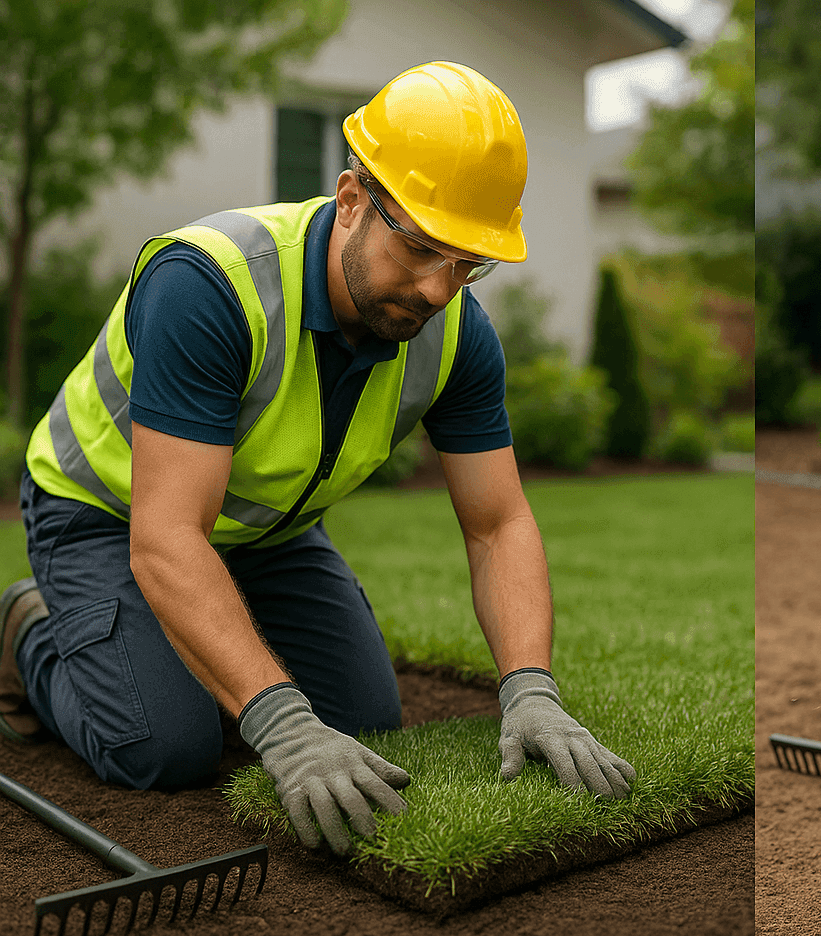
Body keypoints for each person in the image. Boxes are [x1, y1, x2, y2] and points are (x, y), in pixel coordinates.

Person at [0, 61, 634, 856]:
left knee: (366, 721)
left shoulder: (458, 335)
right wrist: (281, 724)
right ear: (350, 201)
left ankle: (212, 642)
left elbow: (499, 523)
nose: (441, 290)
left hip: (263, 533)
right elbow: (166, 538)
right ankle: (26, 630)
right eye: (422, 249)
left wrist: (531, 690)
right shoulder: (210, 285)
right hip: (106, 513)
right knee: (164, 746)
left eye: (469, 263)